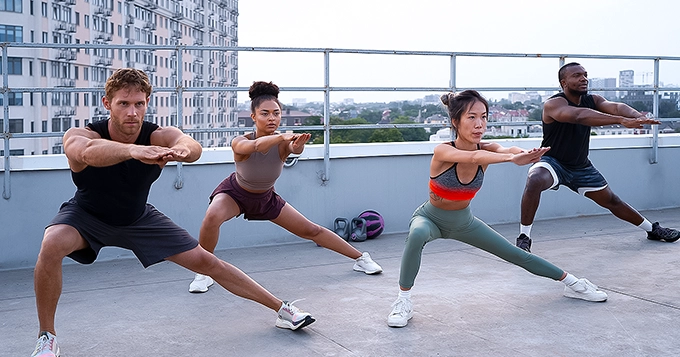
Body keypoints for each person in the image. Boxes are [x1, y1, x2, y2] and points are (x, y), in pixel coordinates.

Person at [31, 69, 314, 357]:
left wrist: (180, 150)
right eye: (124, 104)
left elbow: (191, 146)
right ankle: (47, 336)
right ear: (107, 104)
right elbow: (86, 151)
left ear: (147, 103)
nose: (132, 112)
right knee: (51, 244)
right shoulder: (84, 134)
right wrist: (132, 152)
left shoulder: (156, 135)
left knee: (208, 262)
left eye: (139, 104)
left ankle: (282, 309)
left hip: (138, 218)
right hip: (86, 216)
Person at [387, 90, 608, 328]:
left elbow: (508, 150)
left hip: (463, 222)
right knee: (417, 233)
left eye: (484, 116)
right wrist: (511, 160)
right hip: (430, 217)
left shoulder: (490, 148)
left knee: (516, 254)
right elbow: (472, 158)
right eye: (471, 117)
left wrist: (524, 154)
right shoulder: (443, 150)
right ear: (455, 122)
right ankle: (403, 302)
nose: (479, 124)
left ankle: (574, 283)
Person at [188, 81, 382, 293]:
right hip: (235, 193)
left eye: (276, 113)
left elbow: (293, 149)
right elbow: (254, 147)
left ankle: (361, 258)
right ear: (253, 116)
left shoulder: (282, 143)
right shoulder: (240, 141)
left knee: (311, 230)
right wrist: (280, 136)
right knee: (211, 217)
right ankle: (204, 272)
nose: (272, 118)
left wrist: (296, 145)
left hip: (266, 197)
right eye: (265, 114)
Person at [516, 62, 679, 252]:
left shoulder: (593, 99)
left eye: (585, 75)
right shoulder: (553, 104)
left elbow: (617, 107)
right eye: (577, 75)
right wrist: (620, 121)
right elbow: (578, 116)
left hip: (580, 167)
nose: (584, 79)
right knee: (535, 180)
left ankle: (652, 230)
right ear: (564, 82)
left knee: (612, 201)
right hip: (552, 161)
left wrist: (636, 117)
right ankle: (524, 237)